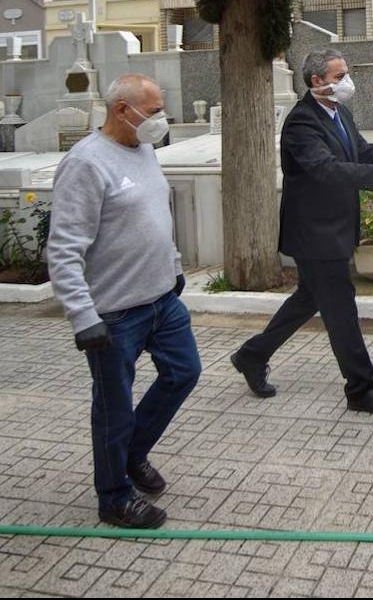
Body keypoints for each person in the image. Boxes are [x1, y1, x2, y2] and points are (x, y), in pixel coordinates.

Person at [229, 48, 373, 414]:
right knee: (340, 309)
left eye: (345, 74)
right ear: (317, 82)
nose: (346, 82)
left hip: (335, 227)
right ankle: (362, 388)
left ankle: (252, 355)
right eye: (338, 77)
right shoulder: (302, 123)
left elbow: (361, 152)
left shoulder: (340, 113)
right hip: (315, 233)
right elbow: (327, 169)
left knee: (309, 299)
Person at [46, 73, 200, 529]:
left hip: (161, 300)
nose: (161, 120)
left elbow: (157, 215)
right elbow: (64, 247)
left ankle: (132, 454)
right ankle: (113, 496)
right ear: (121, 110)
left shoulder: (145, 150)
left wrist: (173, 267)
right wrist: (81, 315)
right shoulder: (86, 165)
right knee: (113, 405)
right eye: (153, 112)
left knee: (184, 372)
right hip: (113, 313)